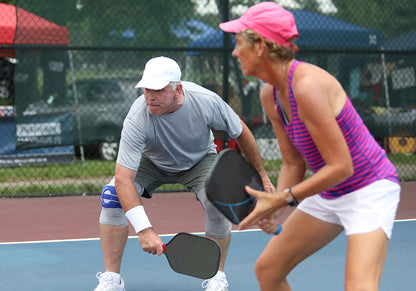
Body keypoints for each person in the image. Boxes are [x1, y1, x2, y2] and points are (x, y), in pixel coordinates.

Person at [219, 2, 400, 291]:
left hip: (369, 188)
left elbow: (342, 166)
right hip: (329, 191)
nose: (235, 52)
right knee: (268, 270)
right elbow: (293, 163)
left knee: (360, 286)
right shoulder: (270, 94)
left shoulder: (307, 85)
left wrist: (284, 198)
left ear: (261, 46)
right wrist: (275, 208)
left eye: (239, 43)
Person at [94, 56, 274, 291]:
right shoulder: (138, 116)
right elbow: (123, 179)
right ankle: (112, 280)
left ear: (177, 89)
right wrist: (145, 230)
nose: (150, 96)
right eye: (147, 89)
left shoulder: (206, 101)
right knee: (111, 196)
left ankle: (217, 276)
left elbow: (241, 132)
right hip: (152, 162)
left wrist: (263, 176)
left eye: (158, 90)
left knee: (217, 201)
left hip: (199, 160)